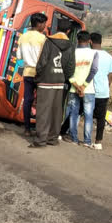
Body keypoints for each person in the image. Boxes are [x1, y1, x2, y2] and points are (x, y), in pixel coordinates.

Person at [31, 19, 75, 147]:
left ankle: (40, 140)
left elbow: (42, 62)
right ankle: (52, 139)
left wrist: (38, 78)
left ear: (56, 28)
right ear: (68, 31)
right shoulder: (71, 45)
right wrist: (62, 77)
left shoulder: (49, 41)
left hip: (46, 80)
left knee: (43, 111)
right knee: (56, 112)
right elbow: (71, 67)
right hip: (59, 83)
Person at [17, 12, 48, 136]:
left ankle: (27, 129)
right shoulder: (42, 39)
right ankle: (39, 129)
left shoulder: (23, 37)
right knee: (41, 101)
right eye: (44, 23)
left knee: (28, 100)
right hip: (40, 73)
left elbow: (19, 56)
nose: (45, 26)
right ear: (39, 24)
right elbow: (45, 58)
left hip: (27, 72)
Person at [65, 31, 98, 146]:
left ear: (77, 40)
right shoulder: (94, 53)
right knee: (88, 115)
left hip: (74, 89)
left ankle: (74, 139)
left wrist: (77, 86)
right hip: (88, 90)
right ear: (89, 41)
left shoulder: (72, 52)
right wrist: (83, 86)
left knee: (73, 114)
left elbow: (68, 72)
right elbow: (94, 70)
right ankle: (87, 141)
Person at [89, 32, 112, 150]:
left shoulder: (89, 54)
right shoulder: (109, 57)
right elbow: (110, 75)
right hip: (103, 92)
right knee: (101, 118)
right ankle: (98, 141)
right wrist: (106, 86)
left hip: (89, 90)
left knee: (82, 112)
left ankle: (85, 138)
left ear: (90, 41)